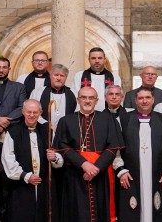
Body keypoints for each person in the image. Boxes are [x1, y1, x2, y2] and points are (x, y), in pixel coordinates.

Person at [52, 86, 123, 222]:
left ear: (96, 101)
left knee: (101, 210)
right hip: (75, 174)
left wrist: (96, 168)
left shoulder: (108, 119)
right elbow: (62, 146)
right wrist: (83, 164)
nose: (87, 101)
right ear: (78, 100)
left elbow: (113, 146)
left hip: (101, 175)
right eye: (84, 97)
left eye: (91, 98)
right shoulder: (66, 121)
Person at [114, 87, 162, 222]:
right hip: (131, 175)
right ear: (135, 101)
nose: (144, 101)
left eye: (148, 98)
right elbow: (115, 150)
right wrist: (121, 170)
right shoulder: (123, 119)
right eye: (140, 98)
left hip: (157, 175)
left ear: (153, 100)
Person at [1, 99, 63, 221]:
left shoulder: (48, 131)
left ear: (40, 113)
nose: (31, 115)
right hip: (21, 186)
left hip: (44, 185)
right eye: (29, 112)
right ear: (23, 112)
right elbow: (7, 159)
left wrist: (54, 157)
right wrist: (25, 176)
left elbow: (59, 155)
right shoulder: (13, 132)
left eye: (35, 112)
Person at [72, 47, 122, 111]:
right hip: (85, 115)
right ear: (89, 60)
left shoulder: (114, 77)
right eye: (93, 58)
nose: (97, 61)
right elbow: (75, 98)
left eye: (100, 58)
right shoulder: (79, 76)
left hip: (108, 116)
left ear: (105, 60)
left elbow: (117, 98)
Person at [30, 63, 76, 131]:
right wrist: (46, 124)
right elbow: (32, 111)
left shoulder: (73, 94)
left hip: (65, 131)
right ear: (50, 76)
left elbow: (76, 113)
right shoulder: (37, 92)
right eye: (56, 75)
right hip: (43, 130)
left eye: (62, 76)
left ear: (66, 78)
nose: (59, 78)